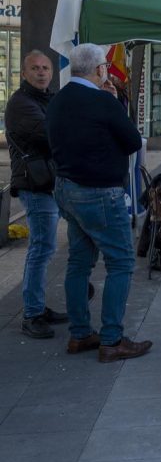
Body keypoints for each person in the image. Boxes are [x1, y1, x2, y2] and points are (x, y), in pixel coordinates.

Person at [46, 44, 149, 362]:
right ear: (100, 69)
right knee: (120, 262)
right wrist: (115, 102)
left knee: (79, 262)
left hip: (67, 187)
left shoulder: (57, 99)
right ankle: (112, 338)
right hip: (99, 191)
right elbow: (132, 141)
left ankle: (80, 334)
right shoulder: (102, 101)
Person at [6, 51, 66, 338]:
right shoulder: (21, 103)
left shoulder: (46, 98)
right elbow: (50, 133)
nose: (41, 72)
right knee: (41, 248)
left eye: (45, 68)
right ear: (24, 73)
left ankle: (38, 306)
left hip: (46, 181)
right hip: (35, 184)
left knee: (44, 248)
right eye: (35, 68)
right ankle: (31, 314)